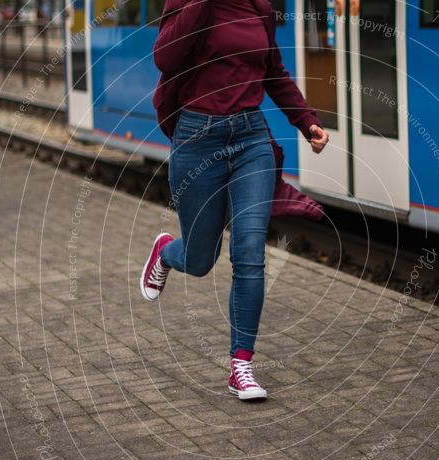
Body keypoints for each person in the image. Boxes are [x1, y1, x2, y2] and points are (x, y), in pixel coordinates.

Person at [141, 0, 329, 401]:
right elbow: (165, 57)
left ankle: (241, 366)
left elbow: (273, 71)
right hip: (197, 138)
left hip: (251, 139)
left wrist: (306, 120)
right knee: (200, 259)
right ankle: (166, 252)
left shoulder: (260, 5)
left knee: (249, 252)